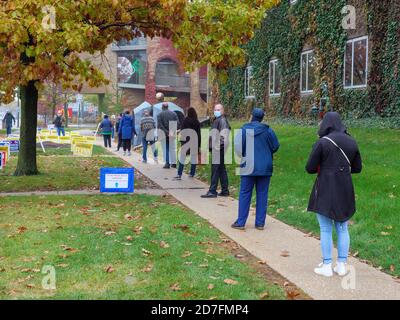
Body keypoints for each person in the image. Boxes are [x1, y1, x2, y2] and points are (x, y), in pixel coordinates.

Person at [306, 112, 362, 277]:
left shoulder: (322, 143)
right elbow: (357, 168)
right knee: (343, 227)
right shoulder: (352, 141)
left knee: (325, 228)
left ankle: (327, 265)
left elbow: (309, 168)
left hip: (325, 188)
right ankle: (342, 264)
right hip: (345, 188)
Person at [231, 108, 280, 230]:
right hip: (265, 166)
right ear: (262, 118)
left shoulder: (243, 130)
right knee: (262, 194)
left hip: (248, 165)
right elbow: (275, 146)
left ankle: (241, 222)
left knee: (245, 193)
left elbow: (238, 148)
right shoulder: (268, 130)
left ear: (251, 116)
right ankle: (260, 223)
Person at [201, 104, 231, 198]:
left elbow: (223, 136)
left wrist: (216, 147)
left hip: (218, 149)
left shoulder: (222, 120)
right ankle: (225, 190)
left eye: (218, 109)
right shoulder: (218, 120)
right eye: (215, 109)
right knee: (221, 169)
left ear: (223, 110)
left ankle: (212, 191)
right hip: (218, 148)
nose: (216, 111)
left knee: (215, 170)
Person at [174, 107, 201, 180]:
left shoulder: (185, 120)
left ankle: (179, 174)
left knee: (182, 159)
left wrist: (182, 143)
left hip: (186, 142)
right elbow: (199, 135)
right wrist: (199, 145)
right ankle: (192, 173)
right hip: (194, 142)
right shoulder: (197, 122)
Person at [157, 102, 179, 169]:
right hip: (172, 134)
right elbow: (178, 123)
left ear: (162, 107)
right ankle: (174, 163)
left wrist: (166, 132)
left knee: (165, 149)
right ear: (168, 107)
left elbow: (160, 126)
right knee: (172, 148)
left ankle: (167, 163)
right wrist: (171, 131)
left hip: (164, 134)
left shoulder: (159, 114)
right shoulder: (174, 113)